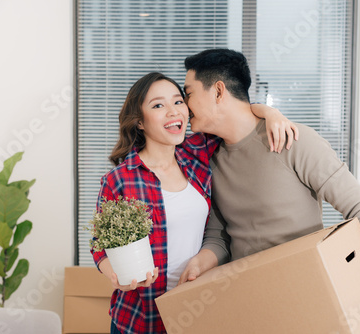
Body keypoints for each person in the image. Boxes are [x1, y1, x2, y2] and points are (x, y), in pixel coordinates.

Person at [179, 49, 360, 333]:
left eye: (188, 93)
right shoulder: (210, 160)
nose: (184, 106)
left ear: (218, 91)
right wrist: (200, 263)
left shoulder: (293, 141)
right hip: (249, 307)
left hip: (308, 300)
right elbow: (220, 235)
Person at [91, 72, 298, 334]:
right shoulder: (120, 178)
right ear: (140, 122)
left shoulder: (196, 153)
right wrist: (117, 276)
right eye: (158, 105)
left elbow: (237, 114)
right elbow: (100, 245)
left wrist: (272, 113)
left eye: (178, 102)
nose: (172, 112)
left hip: (196, 311)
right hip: (140, 318)